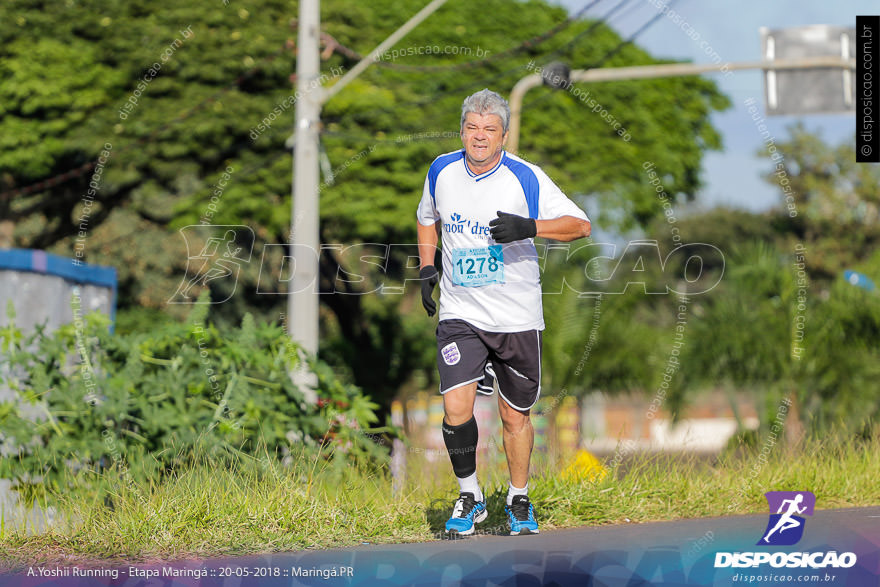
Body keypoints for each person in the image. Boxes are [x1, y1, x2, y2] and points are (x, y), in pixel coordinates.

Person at [416, 88, 591, 537]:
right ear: (461, 131)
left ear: (504, 136)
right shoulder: (441, 170)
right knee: (456, 406)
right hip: (461, 312)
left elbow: (580, 225)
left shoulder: (525, 177)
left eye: (489, 130)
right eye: (471, 128)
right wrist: (427, 265)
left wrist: (529, 227)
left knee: (515, 418)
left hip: (516, 317)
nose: (479, 137)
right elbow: (426, 218)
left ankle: (518, 498)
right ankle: (470, 495)